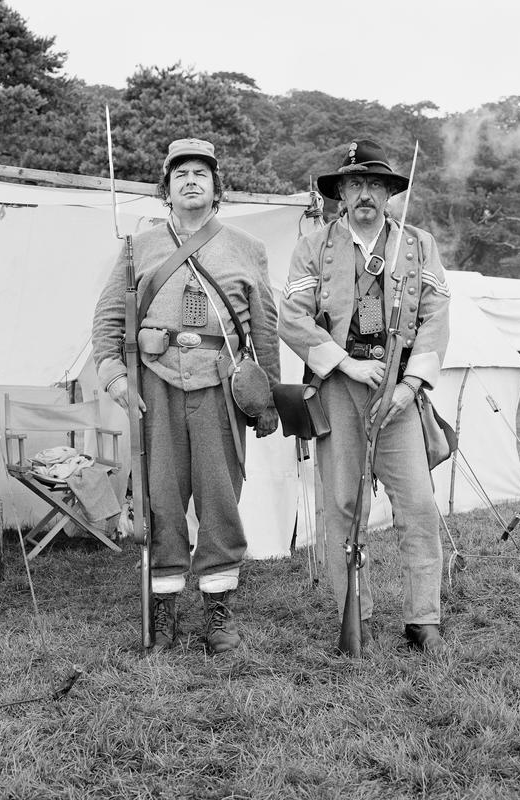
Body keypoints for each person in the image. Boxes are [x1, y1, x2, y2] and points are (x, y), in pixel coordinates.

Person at [92, 138, 280, 654]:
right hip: (156, 386)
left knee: (221, 501)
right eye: (180, 174)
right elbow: (109, 320)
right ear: (167, 189)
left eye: (202, 173)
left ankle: (218, 617)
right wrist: (115, 379)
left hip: (220, 386)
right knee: (161, 500)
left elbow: (264, 328)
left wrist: (267, 401)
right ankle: (165, 611)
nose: (191, 180)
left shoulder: (247, 248)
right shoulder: (137, 247)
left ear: (217, 187)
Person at [279, 139, 450, 654]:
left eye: (376, 184)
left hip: (399, 397)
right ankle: (358, 614)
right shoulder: (314, 246)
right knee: (343, 508)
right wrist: (346, 362)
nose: (366, 195)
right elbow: (292, 317)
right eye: (355, 184)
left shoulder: (419, 246)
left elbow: (436, 318)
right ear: (341, 193)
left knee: (418, 505)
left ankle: (424, 618)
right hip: (338, 392)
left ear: (391, 192)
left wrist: (411, 384)